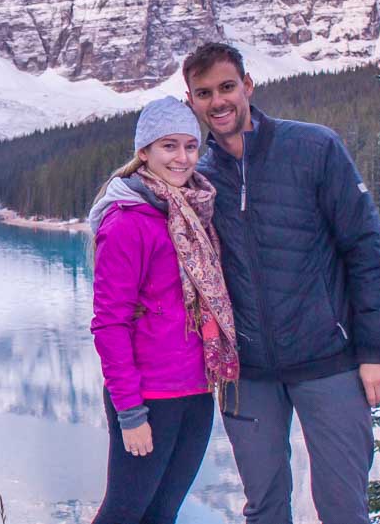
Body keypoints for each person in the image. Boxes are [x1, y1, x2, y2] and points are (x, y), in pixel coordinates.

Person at [182, 42, 380, 524]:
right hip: (248, 374)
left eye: (226, 87)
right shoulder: (197, 178)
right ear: (191, 102)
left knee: (343, 509)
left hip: (330, 363)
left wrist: (376, 352)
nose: (218, 101)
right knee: (265, 508)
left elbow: (367, 252)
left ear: (248, 86)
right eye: (204, 93)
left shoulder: (313, 147)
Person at [87, 96, 239, 524]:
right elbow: (109, 324)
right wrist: (130, 412)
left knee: (162, 513)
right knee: (123, 512)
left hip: (195, 392)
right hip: (150, 398)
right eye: (168, 146)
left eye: (191, 146)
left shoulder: (193, 211)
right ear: (144, 153)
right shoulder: (127, 221)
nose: (182, 157)